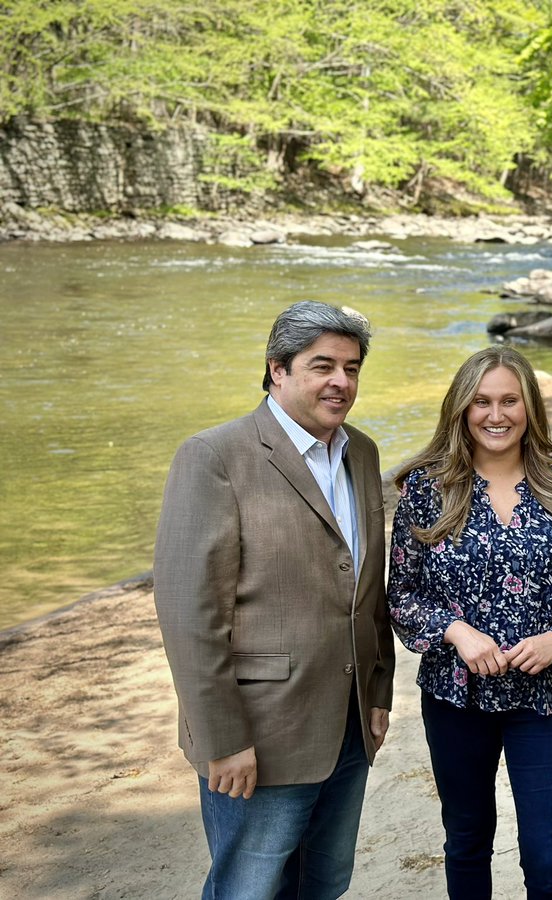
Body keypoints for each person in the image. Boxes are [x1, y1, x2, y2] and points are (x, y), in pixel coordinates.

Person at [154, 301, 395, 899]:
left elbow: (367, 588)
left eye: (351, 367)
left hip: (347, 723)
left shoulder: (361, 452)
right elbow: (191, 616)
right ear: (277, 370)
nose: (340, 381)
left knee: (324, 883)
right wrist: (222, 739)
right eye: (322, 366)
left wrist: (378, 691)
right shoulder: (215, 456)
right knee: (248, 889)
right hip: (258, 735)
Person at [387, 346, 552, 899]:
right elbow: (400, 592)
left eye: (509, 400)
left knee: (546, 854)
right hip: (454, 699)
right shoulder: (426, 490)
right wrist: (455, 631)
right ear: (462, 410)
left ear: (529, 407)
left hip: (547, 701)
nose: (497, 415)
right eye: (482, 401)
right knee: (467, 841)